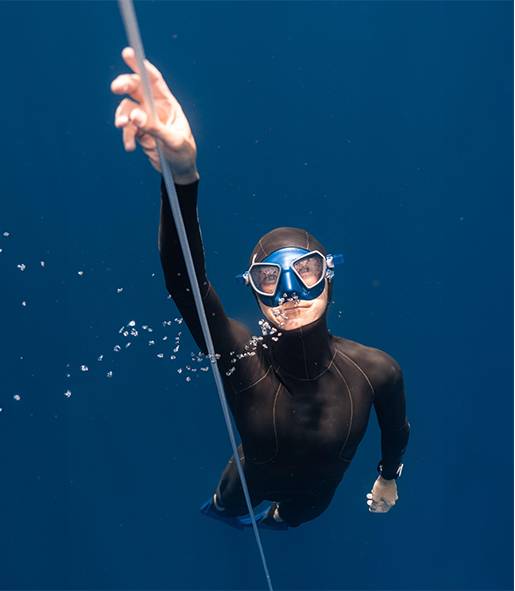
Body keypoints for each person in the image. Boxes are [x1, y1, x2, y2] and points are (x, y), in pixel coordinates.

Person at [111, 48, 410, 530]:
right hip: (245, 482)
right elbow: (183, 281)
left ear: (328, 276)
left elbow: (396, 431)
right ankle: (237, 517)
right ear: (252, 291)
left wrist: (388, 478)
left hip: (313, 499)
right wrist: (181, 177)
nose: (290, 291)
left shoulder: (378, 371)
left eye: (306, 271)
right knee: (226, 509)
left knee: (288, 521)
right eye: (269, 278)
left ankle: (271, 522)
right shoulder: (238, 356)